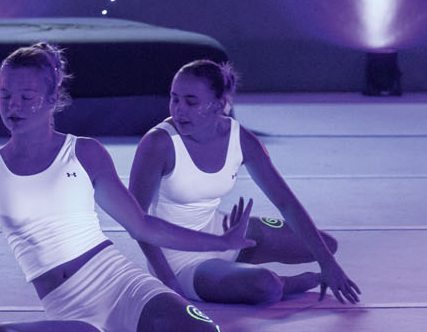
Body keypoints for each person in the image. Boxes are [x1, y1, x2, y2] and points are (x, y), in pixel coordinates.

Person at [0, 44, 377, 332]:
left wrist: (219, 242)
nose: (13, 105)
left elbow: (143, 226)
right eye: (5, 94)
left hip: (125, 289)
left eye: (27, 96)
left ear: (53, 99)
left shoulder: (84, 154)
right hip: (71, 314)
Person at [127, 59, 359, 306]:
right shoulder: (158, 144)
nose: (179, 110)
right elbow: (136, 220)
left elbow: (286, 203)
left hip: (225, 233)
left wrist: (328, 263)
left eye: (191, 102)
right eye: (174, 99)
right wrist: (168, 281)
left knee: (326, 246)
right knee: (266, 286)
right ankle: (290, 282)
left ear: (219, 104)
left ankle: (235, 269)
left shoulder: (241, 139)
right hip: (177, 257)